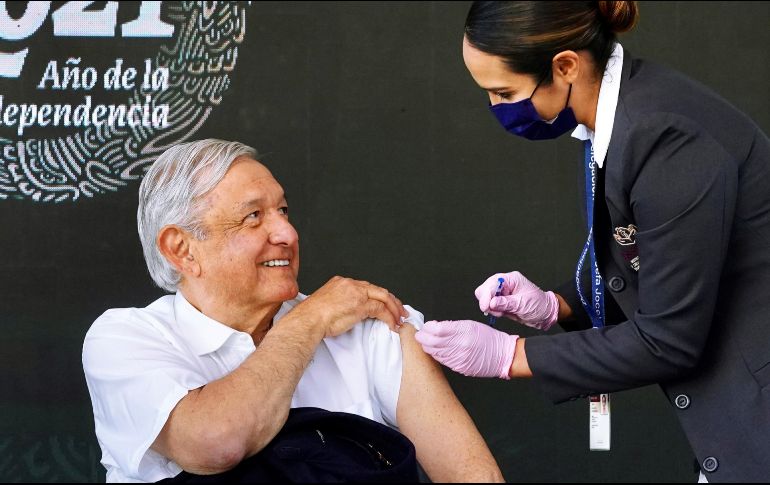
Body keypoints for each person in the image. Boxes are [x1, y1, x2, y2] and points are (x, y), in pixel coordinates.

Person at [415, 1, 770, 482]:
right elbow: (663, 265)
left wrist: (509, 356)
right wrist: (557, 306)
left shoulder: (668, 139)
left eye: (504, 92)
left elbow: (669, 340)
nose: (497, 109)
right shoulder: (619, 119)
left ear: (565, 66)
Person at [82, 139, 504, 483]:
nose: (286, 232)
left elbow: (472, 475)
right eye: (253, 217)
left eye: (282, 211)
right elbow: (214, 443)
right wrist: (311, 319)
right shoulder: (125, 339)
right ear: (182, 250)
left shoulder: (372, 328)